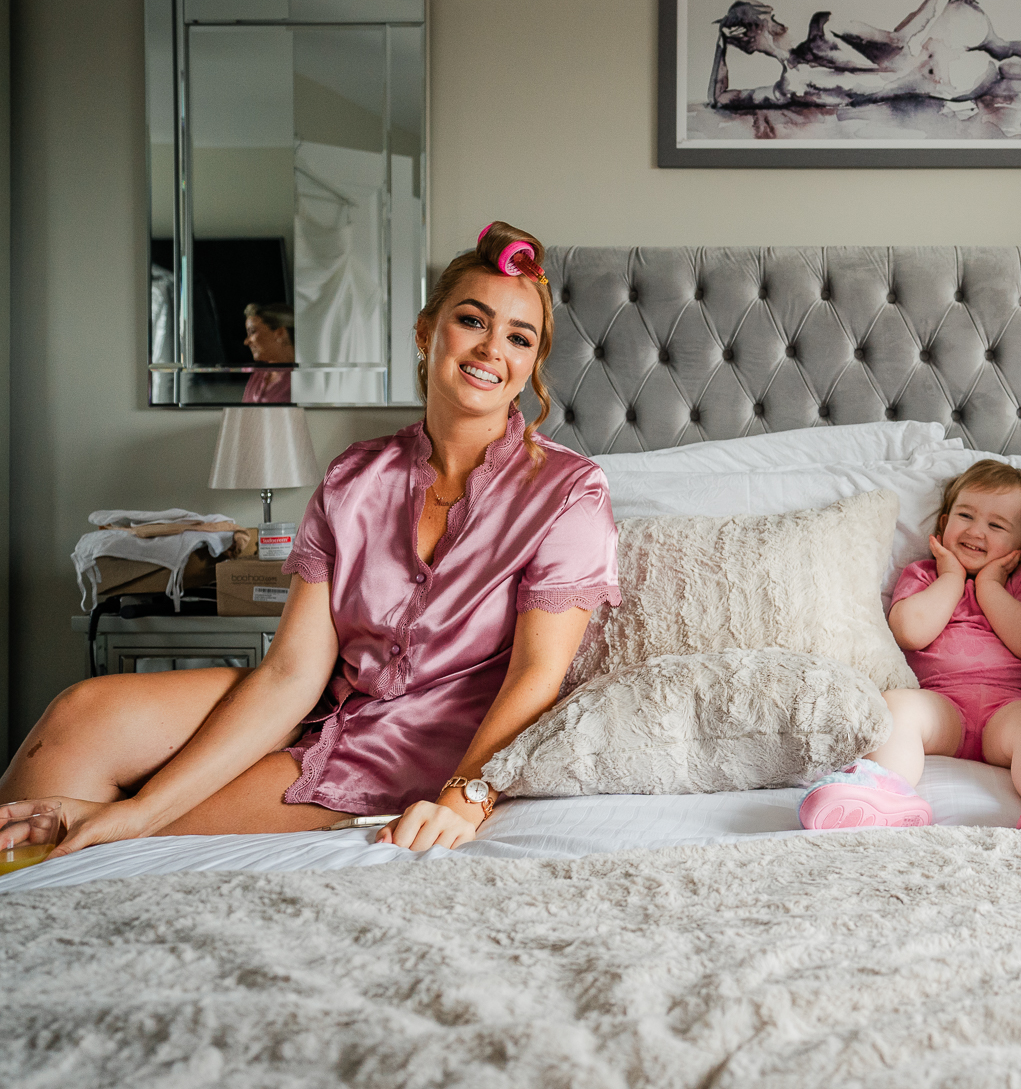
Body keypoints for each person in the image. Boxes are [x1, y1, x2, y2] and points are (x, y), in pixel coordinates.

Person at [0, 223, 620, 856]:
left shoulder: (570, 492)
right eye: (473, 321)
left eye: (520, 337)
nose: (493, 349)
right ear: (426, 332)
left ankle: (52, 872)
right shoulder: (355, 476)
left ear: (531, 366)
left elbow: (538, 675)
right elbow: (293, 670)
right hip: (326, 706)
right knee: (80, 716)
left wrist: (468, 794)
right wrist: (141, 808)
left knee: (135, 834)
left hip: (430, 743)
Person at [800, 461, 1021, 830]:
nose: (976, 530)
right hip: (941, 706)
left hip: (1007, 710)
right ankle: (882, 791)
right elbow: (910, 632)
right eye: (965, 515)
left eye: (996, 525)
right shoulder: (924, 575)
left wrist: (990, 587)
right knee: (897, 706)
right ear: (944, 522)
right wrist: (951, 577)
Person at [707, 0, 1021, 111]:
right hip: (932, 50)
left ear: (747, 36)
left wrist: (718, 51)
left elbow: (721, 99)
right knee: (1005, 48)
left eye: (739, 39)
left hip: (935, 80)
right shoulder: (824, 26)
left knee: (1007, 69)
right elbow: (898, 39)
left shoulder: (792, 84)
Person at [240, 302, 295, 404]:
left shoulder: (301, 378)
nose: (246, 342)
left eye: (252, 332)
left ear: (280, 332)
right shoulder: (258, 374)